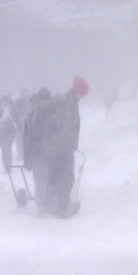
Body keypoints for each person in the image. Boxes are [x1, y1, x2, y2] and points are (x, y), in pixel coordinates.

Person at [41, 76, 89, 217]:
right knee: (66, 179)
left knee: (55, 177)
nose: (83, 97)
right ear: (77, 91)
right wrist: (61, 143)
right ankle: (60, 209)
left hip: (62, 147)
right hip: (60, 148)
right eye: (83, 93)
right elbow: (58, 126)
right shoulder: (64, 102)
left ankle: (47, 206)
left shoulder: (70, 102)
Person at [23, 87, 52, 215]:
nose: (44, 102)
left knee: (50, 180)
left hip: (51, 153)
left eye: (46, 99)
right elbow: (27, 138)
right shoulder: (31, 117)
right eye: (42, 100)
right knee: (40, 181)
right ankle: (40, 206)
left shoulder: (53, 113)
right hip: (38, 154)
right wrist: (27, 156)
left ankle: (48, 204)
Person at [0, 95, 17, 171]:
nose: (5, 102)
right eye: (4, 100)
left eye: (7, 100)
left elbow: (16, 118)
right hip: (1, 133)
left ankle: (8, 166)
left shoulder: (12, 109)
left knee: (7, 148)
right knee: (5, 149)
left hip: (10, 132)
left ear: (9, 101)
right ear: (1, 101)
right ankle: (7, 166)